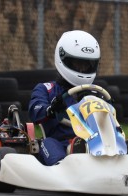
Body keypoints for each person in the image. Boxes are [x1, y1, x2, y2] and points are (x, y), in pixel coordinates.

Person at [28, 30, 101, 166]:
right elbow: (35, 110)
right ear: (63, 59)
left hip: (95, 142)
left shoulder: (95, 91)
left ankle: (123, 157)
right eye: (77, 64)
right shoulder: (46, 89)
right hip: (60, 143)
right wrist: (51, 109)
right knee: (48, 143)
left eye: (87, 65)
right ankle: (63, 165)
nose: (82, 69)